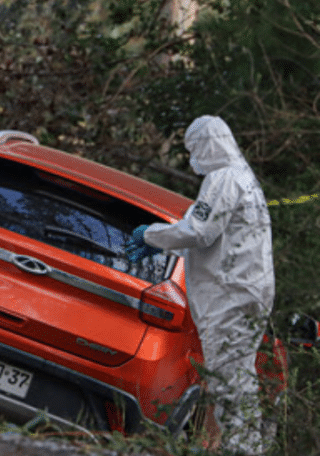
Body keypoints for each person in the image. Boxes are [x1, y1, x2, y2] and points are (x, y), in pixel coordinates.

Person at [125, 115, 275, 455]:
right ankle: (246, 447)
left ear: (207, 144)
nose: (194, 158)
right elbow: (213, 235)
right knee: (239, 377)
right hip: (247, 291)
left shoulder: (223, 179)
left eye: (195, 148)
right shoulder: (245, 180)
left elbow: (199, 231)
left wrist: (149, 234)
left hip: (231, 295)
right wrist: (165, 241)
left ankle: (241, 450)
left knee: (229, 380)